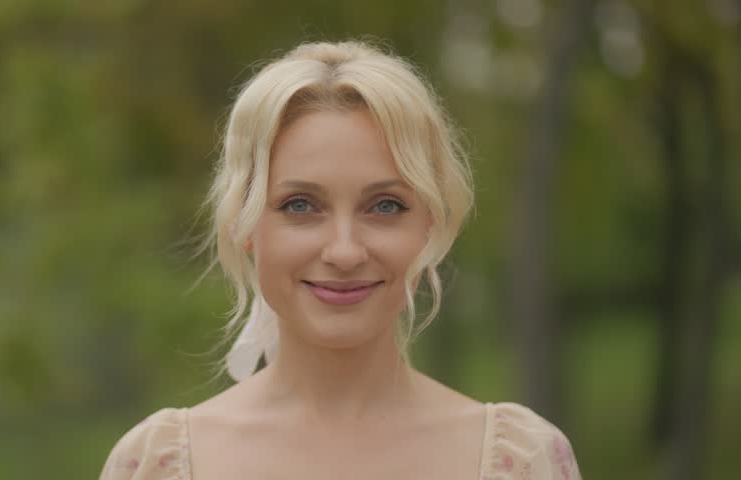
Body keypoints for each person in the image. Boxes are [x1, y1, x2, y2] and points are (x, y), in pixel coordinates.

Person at [99, 40, 581, 480]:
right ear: (244, 224)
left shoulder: (520, 462)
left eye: (385, 206)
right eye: (301, 206)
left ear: (429, 223)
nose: (345, 251)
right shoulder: (155, 465)